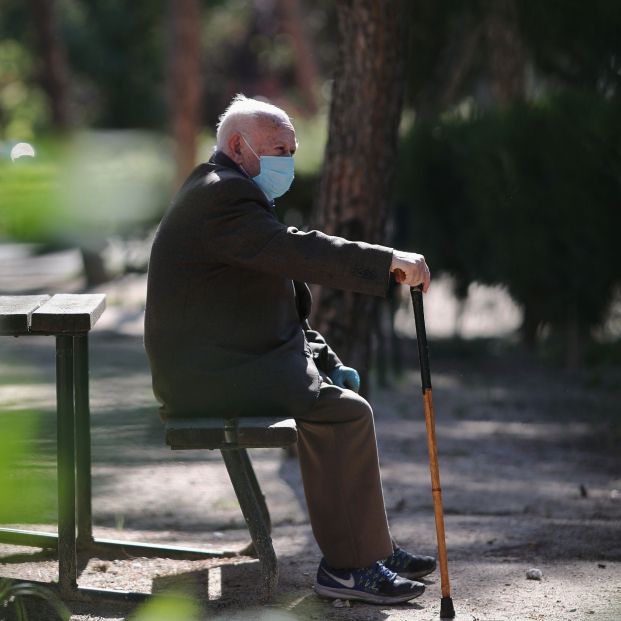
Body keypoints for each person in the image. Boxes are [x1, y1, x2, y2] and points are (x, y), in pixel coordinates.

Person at [144, 94, 434, 605]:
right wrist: (387, 259)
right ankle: (349, 567)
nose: (289, 162)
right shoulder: (223, 197)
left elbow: (275, 304)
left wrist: (326, 359)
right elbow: (296, 250)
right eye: (279, 149)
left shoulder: (223, 189)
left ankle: (370, 550)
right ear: (239, 146)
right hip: (207, 377)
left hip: (221, 364)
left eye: (292, 150)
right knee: (345, 415)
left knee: (340, 407)